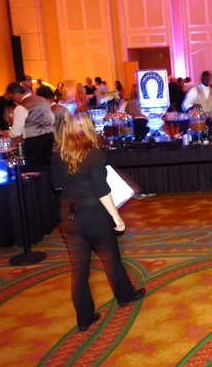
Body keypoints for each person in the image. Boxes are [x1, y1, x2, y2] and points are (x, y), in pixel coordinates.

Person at [51, 114, 145, 332]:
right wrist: (116, 217)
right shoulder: (93, 153)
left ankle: (84, 319)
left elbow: (56, 185)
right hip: (94, 215)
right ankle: (125, 296)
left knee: (79, 270)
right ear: (88, 129)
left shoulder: (58, 155)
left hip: (69, 216)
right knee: (111, 259)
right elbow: (102, 190)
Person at [6, 82, 55, 167]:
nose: (13, 99)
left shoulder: (21, 107)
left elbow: (16, 132)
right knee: (48, 166)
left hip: (33, 141)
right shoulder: (42, 100)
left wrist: (7, 133)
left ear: (15, 94)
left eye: (12, 96)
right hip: (49, 138)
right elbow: (52, 118)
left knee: (35, 169)